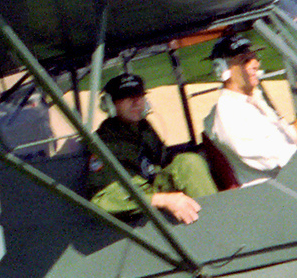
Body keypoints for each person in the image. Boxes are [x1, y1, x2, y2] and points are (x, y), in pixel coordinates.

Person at [86, 73, 215, 224]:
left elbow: (164, 161)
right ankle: (212, 225)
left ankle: (215, 218)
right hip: (136, 212)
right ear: (110, 104)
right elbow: (101, 200)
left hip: (154, 190)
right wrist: (163, 199)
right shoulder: (103, 142)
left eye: (139, 96)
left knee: (189, 161)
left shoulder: (143, 128)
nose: (136, 102)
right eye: (127, 98)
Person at [203, 33, 297, 185]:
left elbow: (290, 138)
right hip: (275, 193)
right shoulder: (228, 113)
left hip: (290, 182)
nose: (255, 64)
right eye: (245, 60)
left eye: (255, 57)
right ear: (222, 70)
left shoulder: (252, 100)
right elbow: (281, 159)